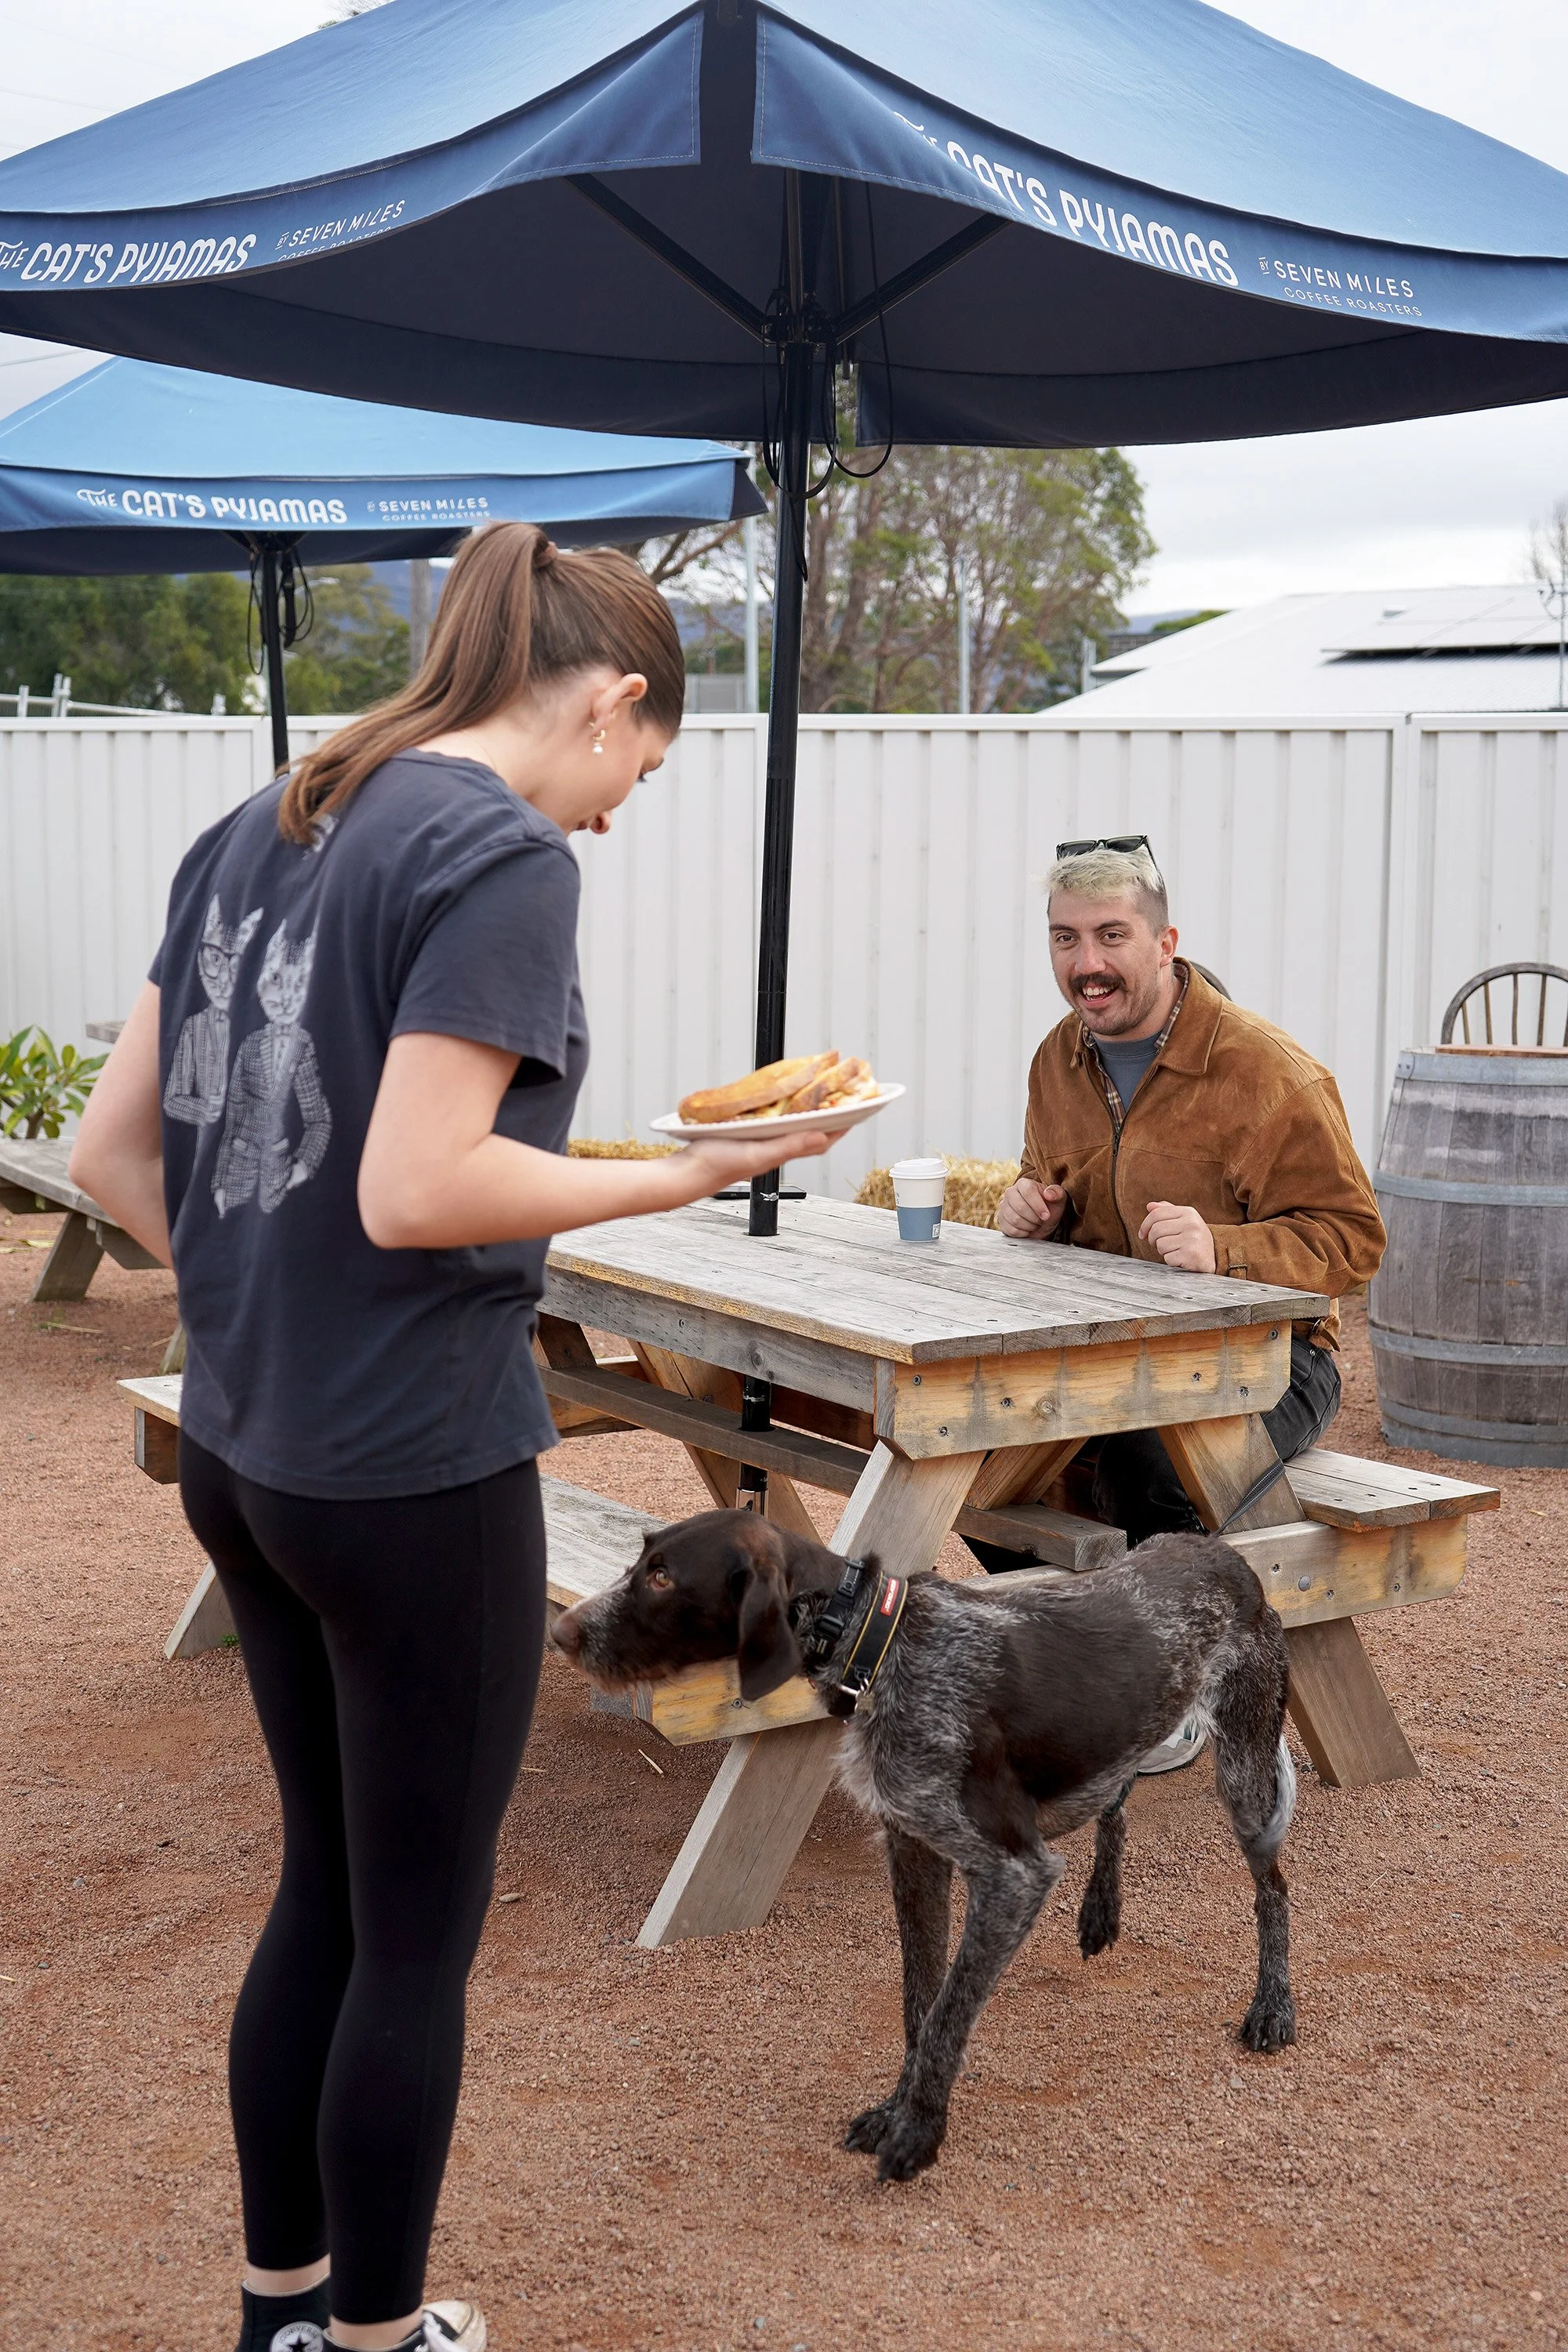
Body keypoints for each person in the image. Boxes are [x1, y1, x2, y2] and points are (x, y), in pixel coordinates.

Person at [71, 523, 831, 2352]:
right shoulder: (489, 843)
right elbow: (421, 1180)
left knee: (324, 1888)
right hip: (409, 1464)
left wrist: (272, 1293)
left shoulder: (272, 814)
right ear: (611, 698)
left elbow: (112, 1162)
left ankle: (282, 2317)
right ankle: (379, 2338)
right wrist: (697, 1169)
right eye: (629, 780)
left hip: (248, 1457)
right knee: (412, 1933)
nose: (604, 818)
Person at [975, 838, 1385, 1769]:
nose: (1085, 964)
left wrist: (1226, 1248)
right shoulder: (1057, 1060)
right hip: (1118, 1356)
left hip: (1277, 1363)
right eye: (1063, 939)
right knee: (971, 1455)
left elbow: (1353, 1242)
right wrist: (1026, 1208)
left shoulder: (1268, 1073)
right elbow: (1059, 1189)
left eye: (1111, 935)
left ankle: (1169, 1691)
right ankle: (1092, 1659)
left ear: (1164, 943)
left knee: (1149, 1462)